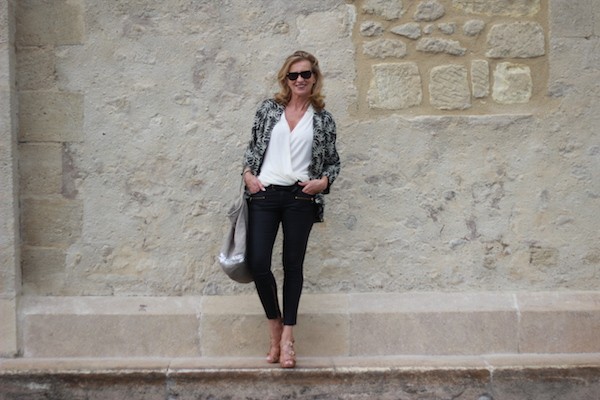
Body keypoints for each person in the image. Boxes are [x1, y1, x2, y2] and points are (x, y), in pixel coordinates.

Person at [241, 50, 341, 368]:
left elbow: (333, 162)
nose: (300, 79)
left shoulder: (323, 119)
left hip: (300, 197)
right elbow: (252, 149)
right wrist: (248, 175)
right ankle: (275, 326)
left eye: (305, 74)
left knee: (292, 266)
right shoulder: (268, 110)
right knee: (258, 263)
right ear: (286, 79)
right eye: (293, 75)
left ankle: (287, 338)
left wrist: (323, 182)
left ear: (314, 78)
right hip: (265, 194)